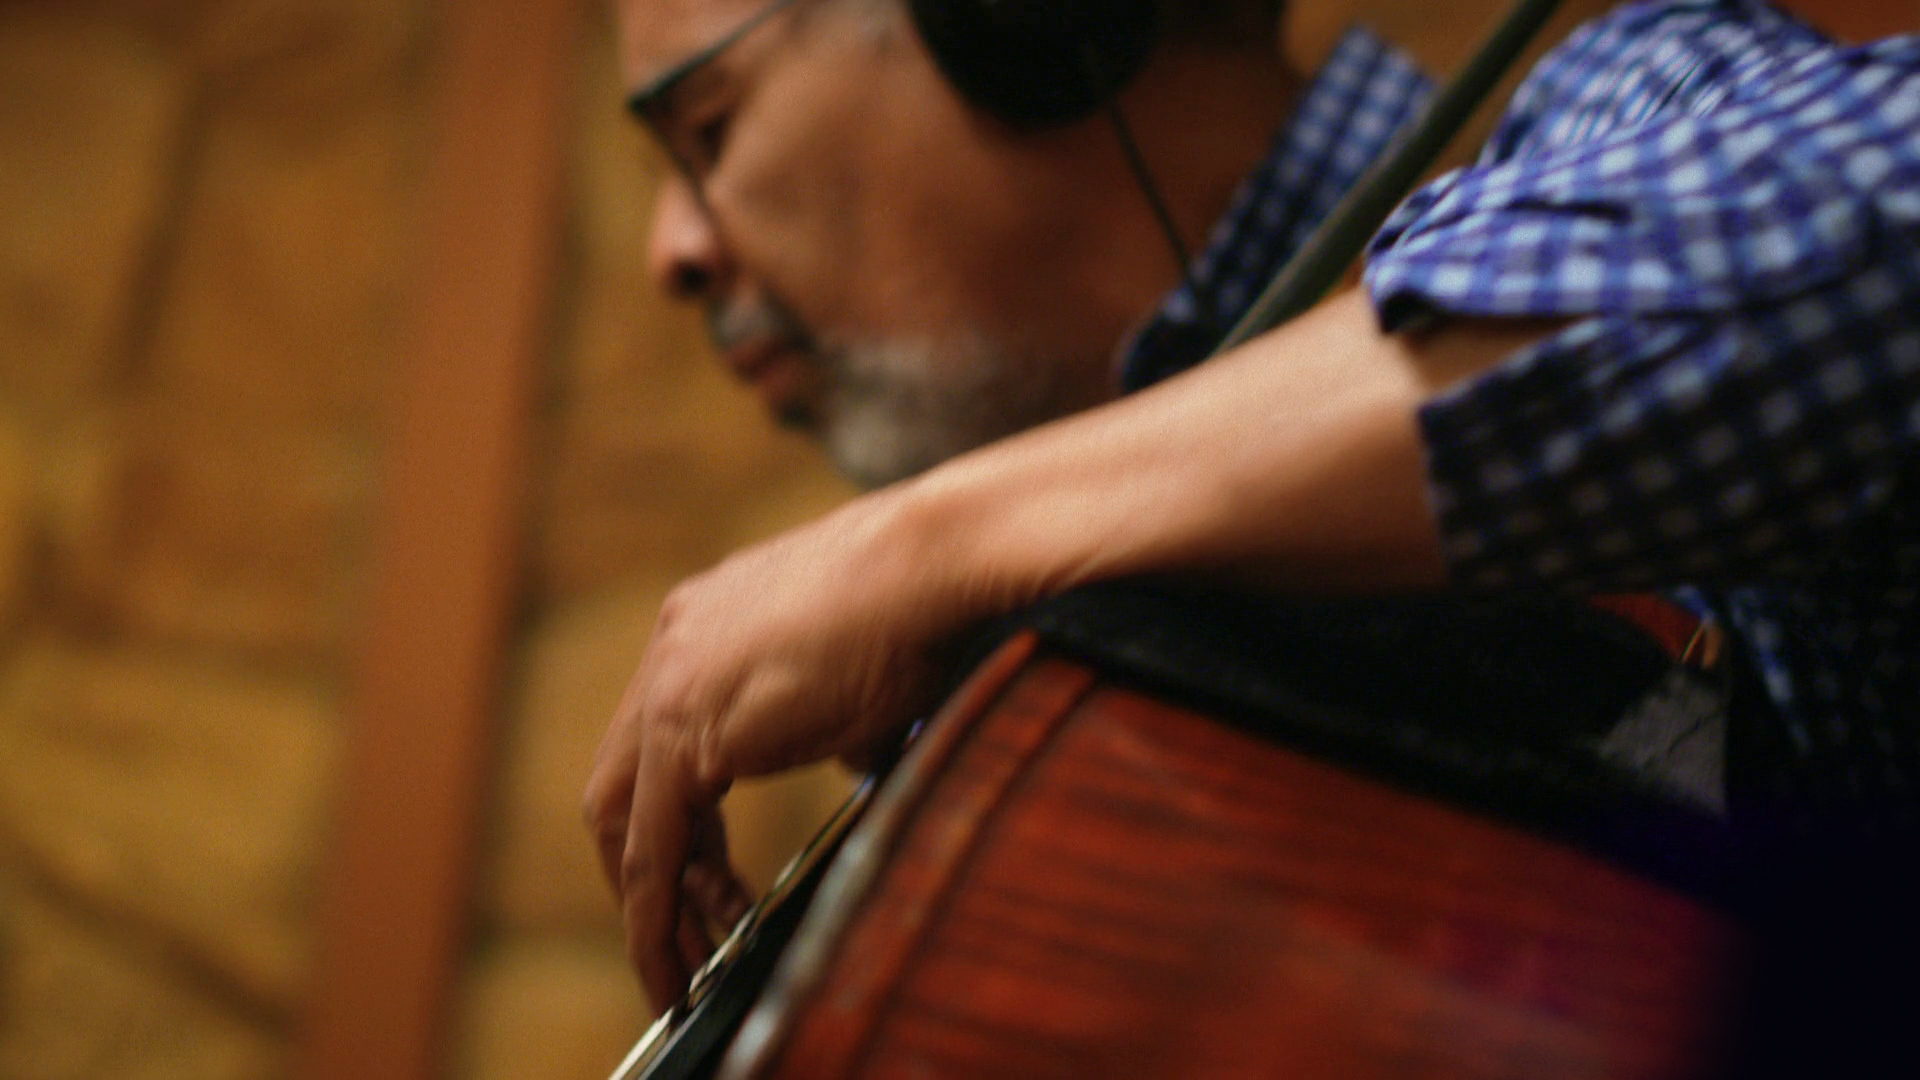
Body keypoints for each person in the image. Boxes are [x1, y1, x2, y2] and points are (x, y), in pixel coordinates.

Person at [584, 0, 1920, 1058]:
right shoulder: (1056, 663)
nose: (669, 252)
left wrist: (931, 539)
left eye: (707, 128)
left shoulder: (1628, 114)